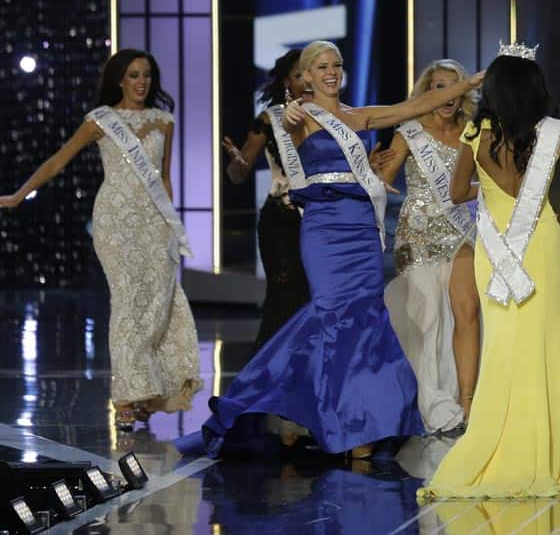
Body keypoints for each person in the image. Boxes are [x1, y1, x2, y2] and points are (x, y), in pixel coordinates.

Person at [176, 41, 483, 460]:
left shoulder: (358, 116)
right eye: (321, 66)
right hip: (324, 231)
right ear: (305, 75)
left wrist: (468, 83)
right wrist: (289, 115)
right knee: (327, 315)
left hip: (360, 230)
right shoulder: (297, 117)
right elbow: (284, 124)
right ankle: (278, 404)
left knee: (366, 324)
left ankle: (361, 426)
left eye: (337, 64)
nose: (331, 71)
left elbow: (413, 107)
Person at [418, 46, 560, 499]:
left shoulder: (475, 134)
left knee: (502, 345)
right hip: (538, 248)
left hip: (494, 249)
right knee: (546, 340)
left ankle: (498, 443)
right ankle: (555, 449)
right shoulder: (554, 134)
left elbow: (458, 193)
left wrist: (492, 189)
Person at [0, 49, 202, 430]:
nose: (141, 82)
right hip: (115, 222)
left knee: (156, 305)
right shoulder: (101, 120)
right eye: (132, 75)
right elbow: (58, 161)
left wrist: (172, 225)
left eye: (146, 75)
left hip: (155, 224)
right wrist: (17, 195)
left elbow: (163, 177)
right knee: (127, 303)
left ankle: (147, 392)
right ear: (119, 81)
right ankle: (126, 397)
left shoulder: (164, 121)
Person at [373, 59, 480, 433]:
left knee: (465, 312)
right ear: (426, 92)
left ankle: (465, 401)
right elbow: (384, 179)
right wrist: (374, 173)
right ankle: (427, 397)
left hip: (461, 232)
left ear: (463, 91)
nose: (446, 93)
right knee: (428, 317)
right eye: (438, 85)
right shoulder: (410, 130)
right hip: (418, 233)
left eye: (452, 85)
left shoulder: (473, 130)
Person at [221, 49, 310, 348]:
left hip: (323, 222)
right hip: (282, 223)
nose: (307, 81)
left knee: (315, 300)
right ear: (286, 81)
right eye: (299, 75)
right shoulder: (269, 120)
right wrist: (236, 161)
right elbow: (237, 174)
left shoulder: (337, 119)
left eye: (312, 73)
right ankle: (267, 379)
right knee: (284, 298)